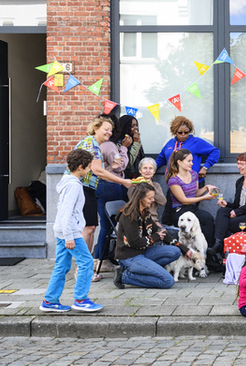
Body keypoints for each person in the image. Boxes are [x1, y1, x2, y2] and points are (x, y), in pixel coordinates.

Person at [69, 116, 132, 282]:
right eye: (106, 129)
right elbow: (99, 171)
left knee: (90, 227)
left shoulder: (94, 144)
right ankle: (81, 270)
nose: (109, 132)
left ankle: (86, 269)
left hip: (88, 188)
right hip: (80, 188)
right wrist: (123, 181)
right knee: (87, 229)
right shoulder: (92, 145)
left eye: (111, 130)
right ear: (95, 128)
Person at [41, 149, 103, 313]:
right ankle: (81, 299)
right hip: (70, 233)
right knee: (87, 262)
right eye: (89, 167)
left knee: (61, 266)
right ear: (81, 167)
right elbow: (66, 212)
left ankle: (50, 300)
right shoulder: (74, 186)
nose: (90, 170)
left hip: (62, 232)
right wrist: (70, 236)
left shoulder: (68, 183)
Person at [113, 183, 189, 290]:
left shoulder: (145, 212)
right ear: (140, 198)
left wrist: (184, 249)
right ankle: (124, 275)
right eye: (150, 198)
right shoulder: (129, 215)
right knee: (168, 281)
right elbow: (135, 242)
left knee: (175, 251)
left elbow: (159, 231)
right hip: (128, 256)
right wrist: (156, 236)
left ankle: (145, 270)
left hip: (143, 252)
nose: (153, 200)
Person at [166, 149, 217, 243]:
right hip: (180, 211)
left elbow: (195, 193)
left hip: (192, 209)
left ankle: (209, 248)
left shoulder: (194, 174)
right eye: (189, 161)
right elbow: (184, 200)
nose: (192, 163)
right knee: (198, 222)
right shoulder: (173, 180)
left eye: (192, 161)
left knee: (208, 218)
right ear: (179, 162)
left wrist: (206, 187)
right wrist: (205, 197)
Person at [155, 116, 220, 186]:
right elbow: (160, 160)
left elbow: (215, 151)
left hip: (192, 183)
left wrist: (205, 167)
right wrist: (149, 170)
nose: (183, 135)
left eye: (186, 132)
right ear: (175, 132)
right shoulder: (170, 143)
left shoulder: (196, 142)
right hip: (174, 183)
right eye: (180, 132)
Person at [127, 157, 165, 222]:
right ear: (140, 170)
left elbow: (162, 202)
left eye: (150, 168)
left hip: (153, 219)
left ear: (154, 171)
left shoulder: (156, 185)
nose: (148, 171)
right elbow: (133, 201)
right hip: (137, 219)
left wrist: (152, 187)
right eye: (145, 168)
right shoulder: (133, 184)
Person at [117, 114, 144, 179]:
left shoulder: (135, 139)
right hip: (125, 179)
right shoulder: (119, 143)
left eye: (136, 125)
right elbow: (128, 164)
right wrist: (136, 143)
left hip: (137, 178)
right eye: (132, 126)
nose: (136, 128)